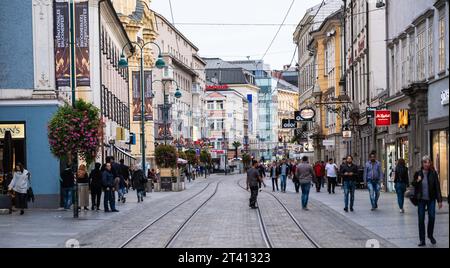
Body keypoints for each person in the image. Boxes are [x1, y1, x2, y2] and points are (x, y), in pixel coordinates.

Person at [412, 156, 443, 247]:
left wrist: (440, 200)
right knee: (421, 219)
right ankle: (422, 240)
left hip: (431, 199)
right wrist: (417, 180)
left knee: (432, 217)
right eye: (425, 162)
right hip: (421, 200)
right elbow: (413, 184)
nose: (427, 164)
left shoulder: (433, 173)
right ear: (422, 163)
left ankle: (430, 235)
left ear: (430, 164)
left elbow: (437, 187)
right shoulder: (418, 173)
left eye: (428, 162)